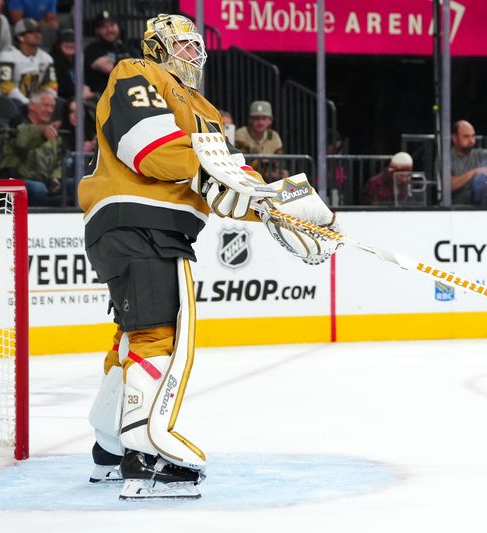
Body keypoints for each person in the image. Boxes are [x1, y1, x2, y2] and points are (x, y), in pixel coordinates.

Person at [78, 14, 339, 500]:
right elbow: (147, 150)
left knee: (134, 334)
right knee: (162, 334)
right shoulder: (138, 73)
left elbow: (221, 189)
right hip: (141, 219)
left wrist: (279, 209)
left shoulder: (206, 110)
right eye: (182, 45)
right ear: (156, 47)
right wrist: (229, 171)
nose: (193, 54)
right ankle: (146, 456)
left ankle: (110, 449)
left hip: (149, 226)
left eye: (198, 46)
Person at [0, 89, 63, 204]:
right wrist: (41, 132)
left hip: (46, 181)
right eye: (45, 105)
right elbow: (22, 144)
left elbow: (59, 159)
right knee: (38, 189)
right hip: (17, 179)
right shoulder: (16, 127)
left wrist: (55, 177)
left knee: (79, 184)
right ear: (32, 106)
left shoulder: (52, 132)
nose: (50, 110)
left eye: (52, 106)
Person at [0, 18, 57, 105]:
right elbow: (6, 88)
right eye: (32, 32)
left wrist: (47, 103)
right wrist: (29, 103)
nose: (37, 35)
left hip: (35, 104)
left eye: (39, 31)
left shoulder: (46, 58)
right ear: (21, 37)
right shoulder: (7, 57)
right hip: (7, 103)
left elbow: (50, 86)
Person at [83, 10, 133, 95]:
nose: (109, 30)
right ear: (97, 30)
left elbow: (142, 67)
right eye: (104, 27)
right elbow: (109, 69)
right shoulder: (91, 50)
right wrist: (129, 63)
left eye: (112, 25)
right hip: (102, 98)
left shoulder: (127, 48)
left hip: (129, 96)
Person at [233, 100, 285, 180]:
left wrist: (280, 172)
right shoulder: (241, 133)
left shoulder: (274, 136)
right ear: (250, 119)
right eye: (256, 118)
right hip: (245, 178)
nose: (260, 122)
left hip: (269, 180)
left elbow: (279, 162)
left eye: (264, 118)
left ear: (270, 120)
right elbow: (243, 161)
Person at [51, 28, 93, 102]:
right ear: (58, 44)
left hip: (79, 98)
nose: (70, 44)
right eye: (66, 41)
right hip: (62, 101)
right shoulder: (53, 61)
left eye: (73, 41)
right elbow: (61, 89)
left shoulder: (79, 60)